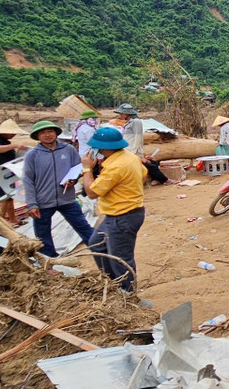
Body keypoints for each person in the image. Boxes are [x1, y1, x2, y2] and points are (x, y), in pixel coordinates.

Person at [80, 125, 147, 293]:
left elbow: (91, 193)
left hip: (122, 216)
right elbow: (144, 175)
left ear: (102, 149)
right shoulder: (130, 157)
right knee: (96, 245)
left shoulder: (116, 166)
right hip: (119, 214)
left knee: (120, 259)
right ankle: (114, 284)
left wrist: (87, 169)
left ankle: (127, 292)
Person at [22, 119, 94, 257]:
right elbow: (28, 180)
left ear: (56, 133)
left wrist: (73, 180)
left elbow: (77, 169)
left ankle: (101, 250)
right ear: (37, 136)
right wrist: (32, 204)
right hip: (43, 201)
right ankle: (49, 261)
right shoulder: (32, 155)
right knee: (42, 235)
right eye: (43, 133)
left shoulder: (68, 150)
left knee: (83, 227)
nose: (47, 135)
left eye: (50, 131)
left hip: (67, 199)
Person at [115, 103, 168, 185]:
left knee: (147, 165)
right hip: (128, 149)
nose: (120, 115)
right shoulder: (129, 122)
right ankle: (158, 179)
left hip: (133, 150)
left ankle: (164, 180)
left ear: (128, 113)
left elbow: (138, 137)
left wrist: (134, 152)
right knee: (147, 165)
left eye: (122, 113)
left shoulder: (136, 122)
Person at [0, 119, 29, 223]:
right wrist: (15, 145)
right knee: (5, 198)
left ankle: (13, 220)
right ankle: (0, 223)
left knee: (10, 197)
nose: (14, 135)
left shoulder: (5, 142)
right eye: (12, 133)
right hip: (0, 174)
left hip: (8, 173)